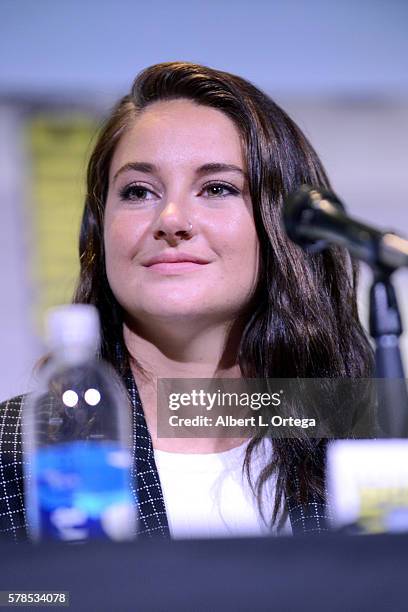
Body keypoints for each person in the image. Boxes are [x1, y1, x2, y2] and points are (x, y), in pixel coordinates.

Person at [0, 61, 374, 542]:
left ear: (284, 227)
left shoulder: (363, 437)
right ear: (98, 232)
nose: (172, 219)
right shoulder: (14, 453)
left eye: (216, 188)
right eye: (138, 191)